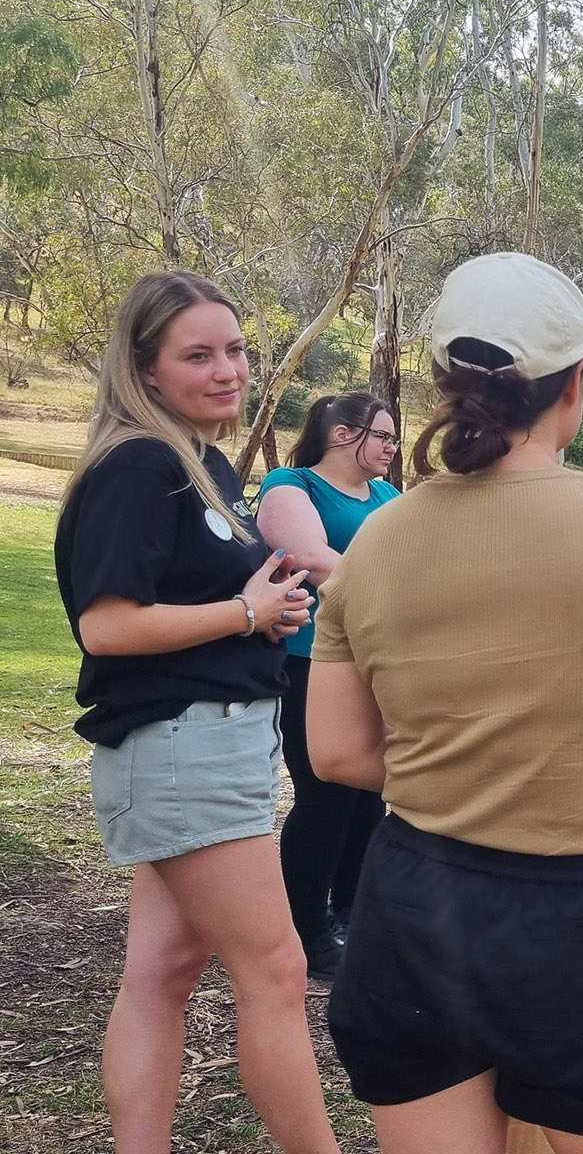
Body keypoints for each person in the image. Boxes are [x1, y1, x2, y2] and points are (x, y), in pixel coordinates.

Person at [306, 251, 583, 1151]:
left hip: (414, 904)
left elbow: (337, 754)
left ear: (441, 387)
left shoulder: (377, 539)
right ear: (574, 383)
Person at [53, 270, 338, 1154]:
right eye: (198, 355)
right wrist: (245, 614)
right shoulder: (139, 465)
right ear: (144, 370)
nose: (227, 370)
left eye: (236, 350)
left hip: (208, 744)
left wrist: (261, 608)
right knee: (277, 969)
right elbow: (105, 624)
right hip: (181, 746)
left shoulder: (198, 462)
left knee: (163, 971)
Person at [256, 392, 401, 979]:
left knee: (371, 790)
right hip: (308, 659)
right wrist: (405, 594)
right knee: (325, 793)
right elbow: (312, 557)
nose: (393, 448)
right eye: (384, 436)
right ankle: (308, 929)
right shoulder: (292, 485)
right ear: (344, 434)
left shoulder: (389, 497)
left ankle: (352, 915)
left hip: (376, 660)